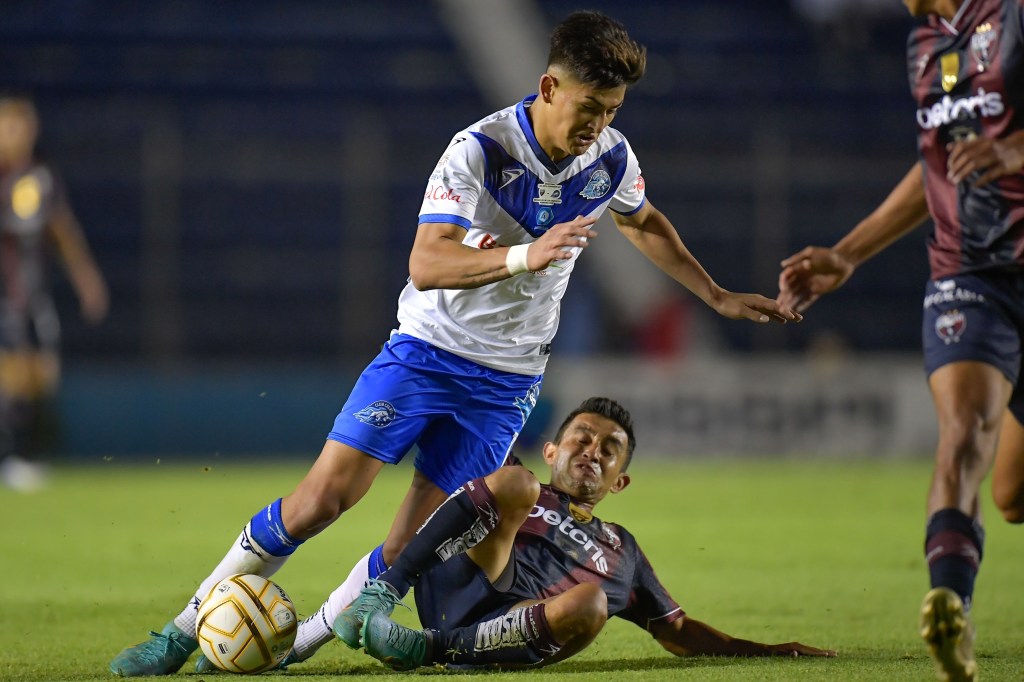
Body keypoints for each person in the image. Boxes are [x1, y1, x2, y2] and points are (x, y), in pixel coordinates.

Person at [110, 10, 800, 677]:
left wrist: (714, 294)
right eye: (590, 105)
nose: (599, 125)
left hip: (506, 382)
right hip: (425, 354)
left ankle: (304, 644)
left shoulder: (611, 157)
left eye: (613, 110)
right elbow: (427, 262)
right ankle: (178, 633)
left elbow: (642, 218)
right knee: (322, 500)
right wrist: (526, 257)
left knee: (412, 542)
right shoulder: (481, 150)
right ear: (550, 87)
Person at [777, 1, 1024, 680]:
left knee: (1012, 495)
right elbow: (937, 163)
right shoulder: (924, 42)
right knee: (965, 431)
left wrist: (1012, 147)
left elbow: (996, 144)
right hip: (969, 273)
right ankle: (952, 604)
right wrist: (850, 254)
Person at [338, 396, 836, 670]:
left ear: (619, 481)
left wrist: (769, 652)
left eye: (609, 448)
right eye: (583, 436)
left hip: (508, 631)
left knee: (591, 604)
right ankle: (381, 595)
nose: (593, 450)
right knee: (516, 482)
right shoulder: (513, 477)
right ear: (552, 449)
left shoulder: (623, 551)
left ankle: (427, 648)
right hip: (460, 581)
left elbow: (678, 633)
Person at [0, 95, 109, 492]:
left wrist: (87, 279)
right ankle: (15, 457)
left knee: (43, 376)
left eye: (23, 127)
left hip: (35, 297)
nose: (18, 136)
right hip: (4, 298)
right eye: (10, 127)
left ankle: (28, 454)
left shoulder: (39, 179)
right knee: (13, 376)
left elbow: (62, 232)